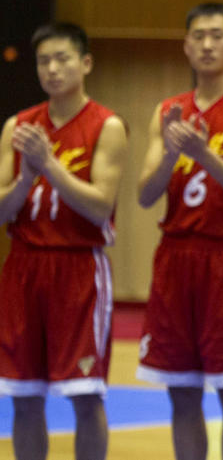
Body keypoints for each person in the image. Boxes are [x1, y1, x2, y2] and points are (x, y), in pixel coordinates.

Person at [135, 3, 223, 460]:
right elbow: (143, 194)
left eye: (217, 35)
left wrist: (206, 155)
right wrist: (172, 154)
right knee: (181, 391)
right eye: (198, 35)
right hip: (175, 257)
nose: (207, 44)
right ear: (186, 46)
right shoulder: (168, 111)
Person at [0, 23, 128, 460]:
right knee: (23, 396)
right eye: (43, 61)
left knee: (86, 394)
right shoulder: (17, 127)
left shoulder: (107, 126)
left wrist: (49, 166)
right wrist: (26, 177)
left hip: (79, 270)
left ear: (85, 63)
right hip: (23, 268)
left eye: (62, 59)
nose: (52, 69)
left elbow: (99, 205)